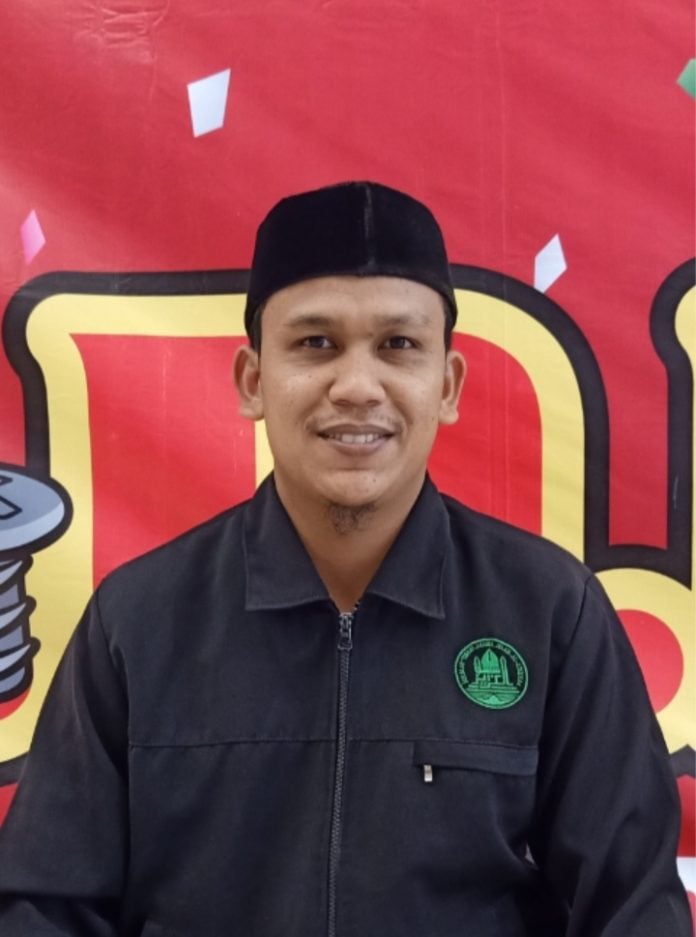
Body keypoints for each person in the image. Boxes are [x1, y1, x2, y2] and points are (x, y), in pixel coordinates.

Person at [0, 181, 690, 936]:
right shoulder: (138, 621)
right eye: (316, 343)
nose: (358, 387)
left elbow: (633, 909)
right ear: (253, 380)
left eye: (398, 345)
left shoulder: (552, 612)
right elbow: (46, 909)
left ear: (447, 384)